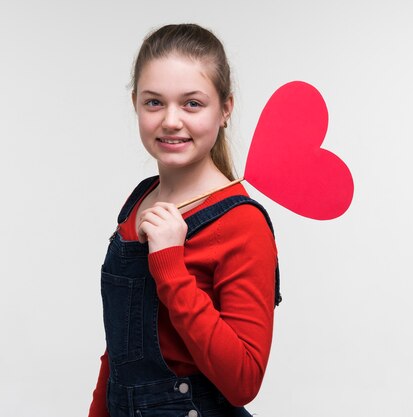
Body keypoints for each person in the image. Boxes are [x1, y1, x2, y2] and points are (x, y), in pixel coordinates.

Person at [88, 23, 281, 417]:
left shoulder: (242, 224)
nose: (171, 120)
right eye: (154, 102)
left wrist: (171, 266)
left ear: (225, 109)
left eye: (192, 103)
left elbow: (243, 381)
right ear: (135, 104)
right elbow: (120, 355)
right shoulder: (138, 202)